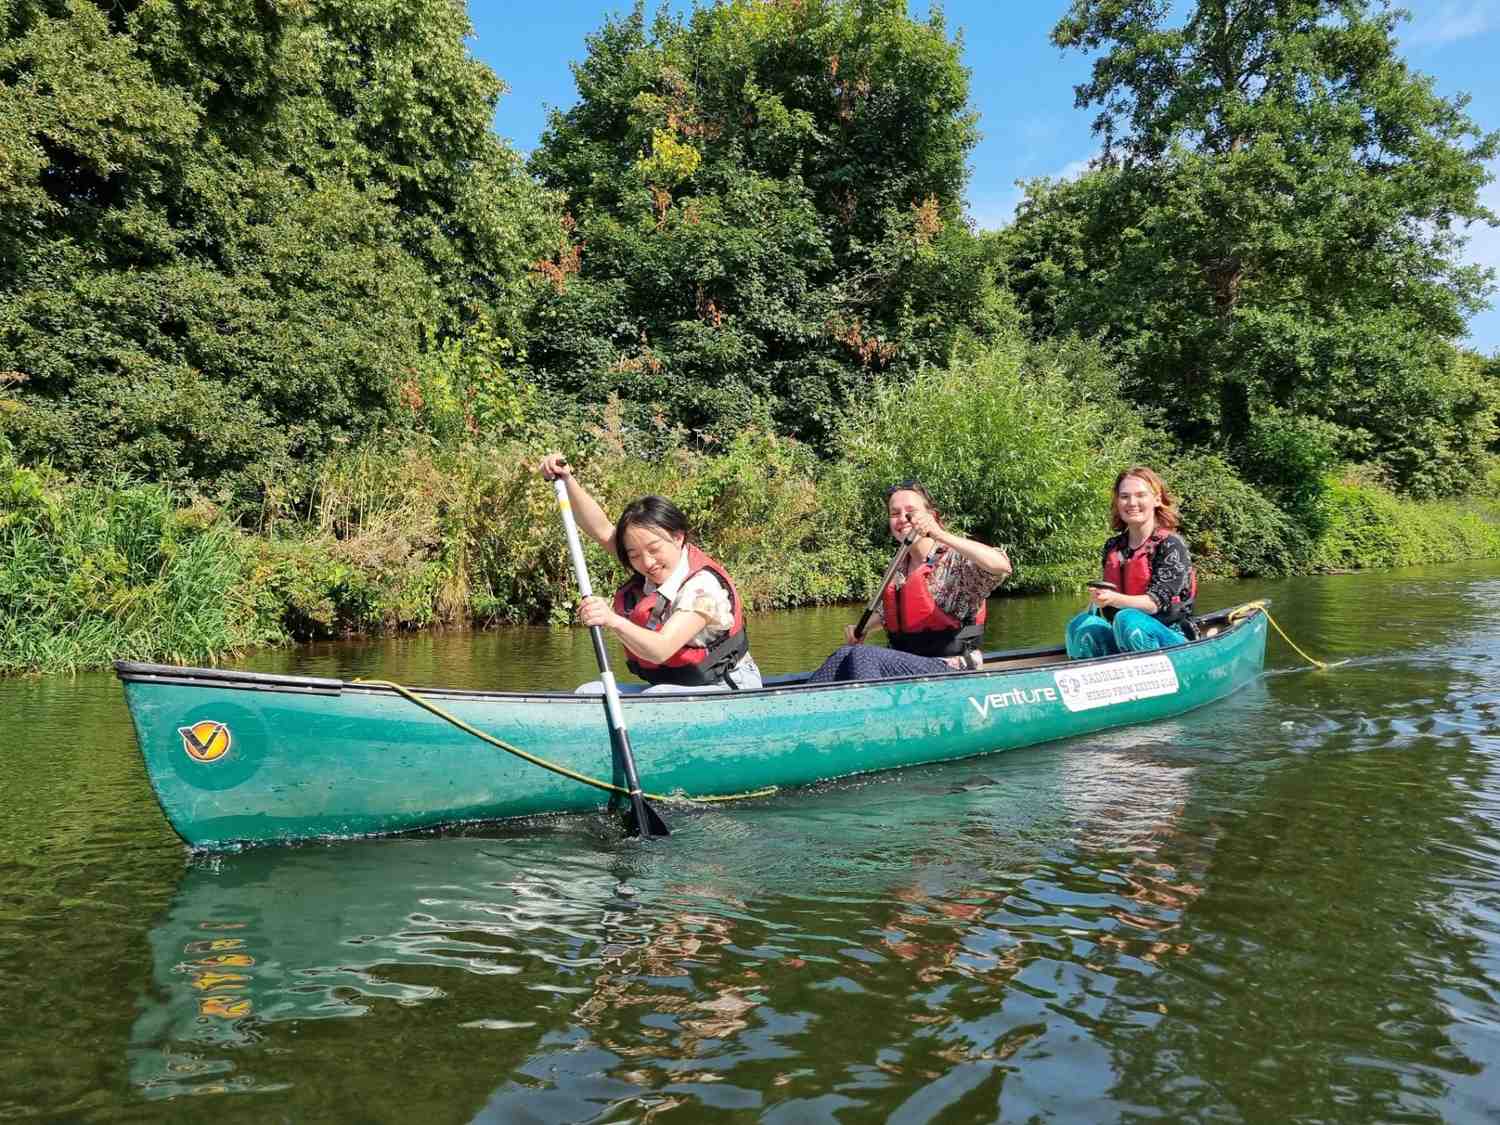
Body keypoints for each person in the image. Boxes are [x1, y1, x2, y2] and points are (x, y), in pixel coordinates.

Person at [539, 453, 763, 693]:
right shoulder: (647, 564)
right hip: (675, 687)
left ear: (677, 537)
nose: (647, 562)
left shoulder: (702, 588)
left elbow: (661, 649)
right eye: (634, 554)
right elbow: (602, 530)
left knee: (658, 695)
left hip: (729, 684)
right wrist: (567, 480)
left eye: (654, 549)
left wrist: (612, 620)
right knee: (590, 691)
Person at [807, 481, 1011, 683]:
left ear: (932, 517)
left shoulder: (956, 560)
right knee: (845, 654)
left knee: (864, 656)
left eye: (911, 512)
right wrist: (862, 628)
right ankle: (803, 705)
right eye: (895, 514)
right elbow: (889, 612)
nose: (903, 518)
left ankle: (869, 714)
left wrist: (939, 534)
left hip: (951, 668)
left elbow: (1001, 565)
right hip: (908, 667)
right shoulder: (899, 568)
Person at [1065, 466, 1197, 659]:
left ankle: (1152, 680)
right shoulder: (1113, 546)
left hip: (1172, 638)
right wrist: (1099, 601)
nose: (1132, 503)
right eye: (1124, 496)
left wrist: (1113, 599)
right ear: (1117, 502)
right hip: (1122, 633)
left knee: (1127, 618)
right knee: (1081, 625)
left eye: (1140, 495)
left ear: (1157, 499)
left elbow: (1154, 604)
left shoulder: (1171, 545)